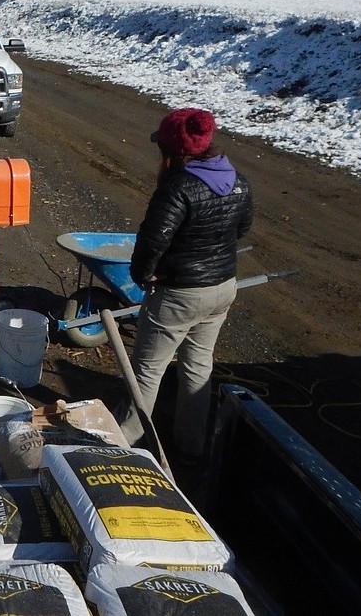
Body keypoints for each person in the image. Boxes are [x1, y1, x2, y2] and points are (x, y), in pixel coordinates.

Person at [125, 107, 253, 464]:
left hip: (179, 295)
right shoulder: (238, 181)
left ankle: (125, 446)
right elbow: (241, 230)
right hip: (223, 288)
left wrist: (143, 274)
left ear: (172, 152)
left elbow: (152, 241)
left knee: (147, 371)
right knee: (198, 367)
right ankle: (191, 446)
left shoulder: (177, 188)